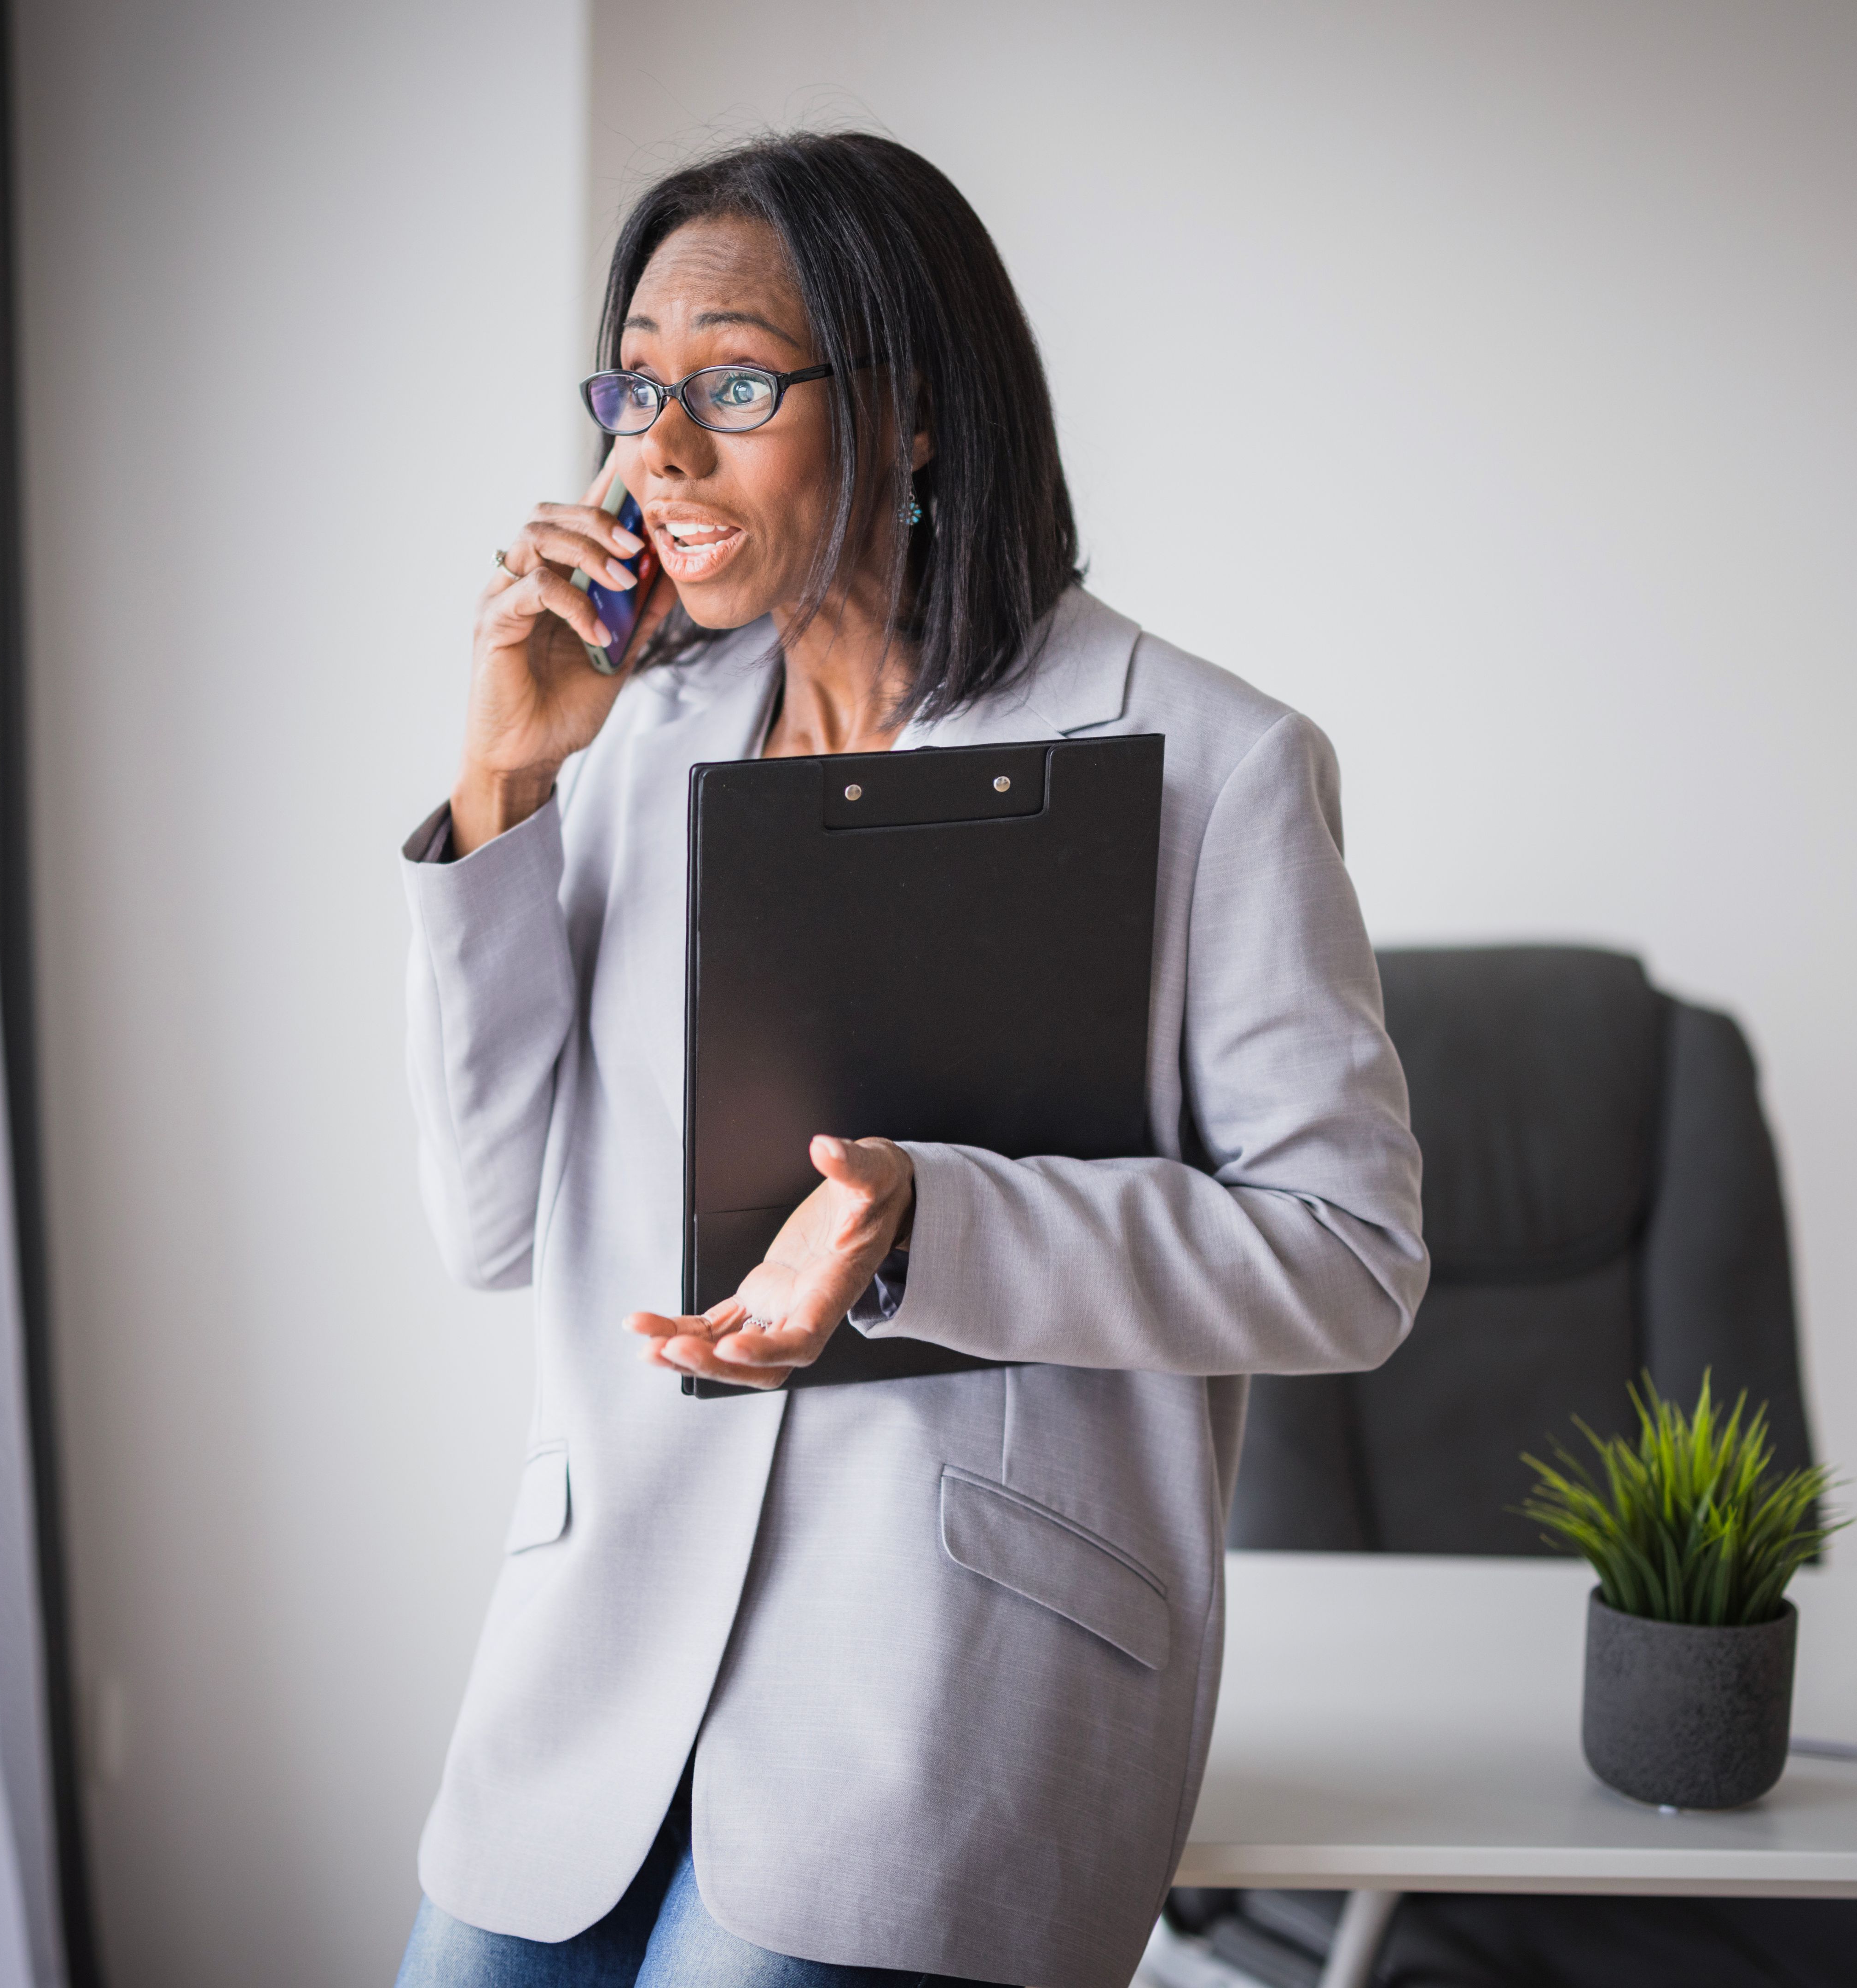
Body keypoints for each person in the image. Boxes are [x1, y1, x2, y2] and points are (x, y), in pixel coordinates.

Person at [395, 132, 1428, 1988]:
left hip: (943, 1692)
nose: (659, 455)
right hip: (591, 1677)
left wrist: (928, 1224)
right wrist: (503, 788)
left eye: (729, 384)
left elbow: (1350, 1266)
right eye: (638, 388)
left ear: (918, 413)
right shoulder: (635, 745)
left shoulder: (1208, 760)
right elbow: (491, 1224)